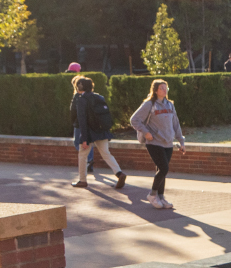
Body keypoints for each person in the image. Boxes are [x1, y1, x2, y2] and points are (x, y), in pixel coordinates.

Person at [130, 79, 186, 209]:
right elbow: (134, 119)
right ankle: (152, 194)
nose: (164, 90)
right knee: (164, 168)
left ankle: (161, 197)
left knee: (162, 170)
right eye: (161, 88)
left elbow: (176, 124)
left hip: (168, 142)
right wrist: (145, 132)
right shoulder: (149, 104)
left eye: (166, 88)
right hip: (154, 142)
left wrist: (181, 141)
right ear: (155, 90)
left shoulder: (170, 105)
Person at [71, 75, 126, 189]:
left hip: (89, 132)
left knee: (82, 155)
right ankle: (119, 173)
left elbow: (82, 120)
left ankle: (82, 180)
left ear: (80, 87)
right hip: (101, 131)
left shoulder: (81, 100)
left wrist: (85, 138)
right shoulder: (99, 97)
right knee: (106, 153)